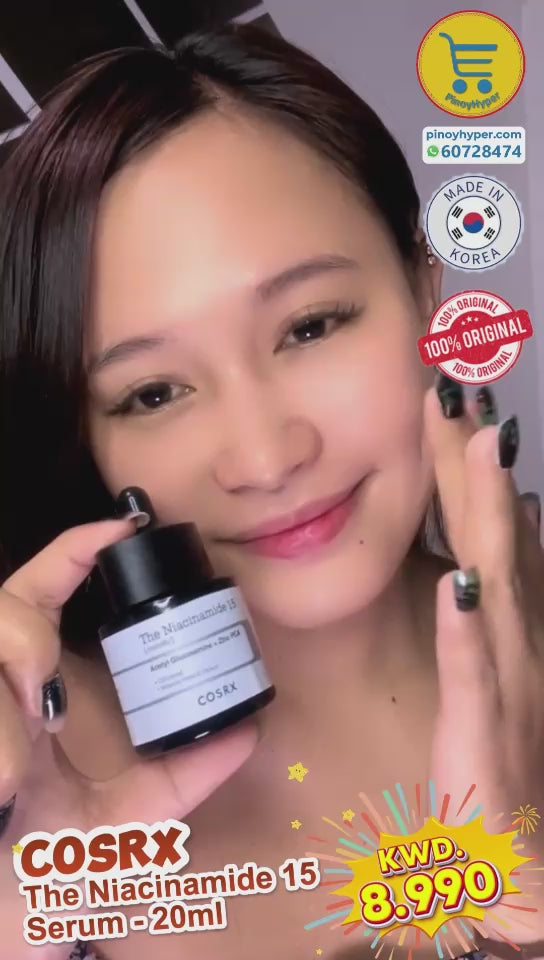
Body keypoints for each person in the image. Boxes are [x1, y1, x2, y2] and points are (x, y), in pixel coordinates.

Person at [0, 21, 543, 960]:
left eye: (310, 325)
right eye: (153, 393)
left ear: (426, 289)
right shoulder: (35, 782)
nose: (263, 457)